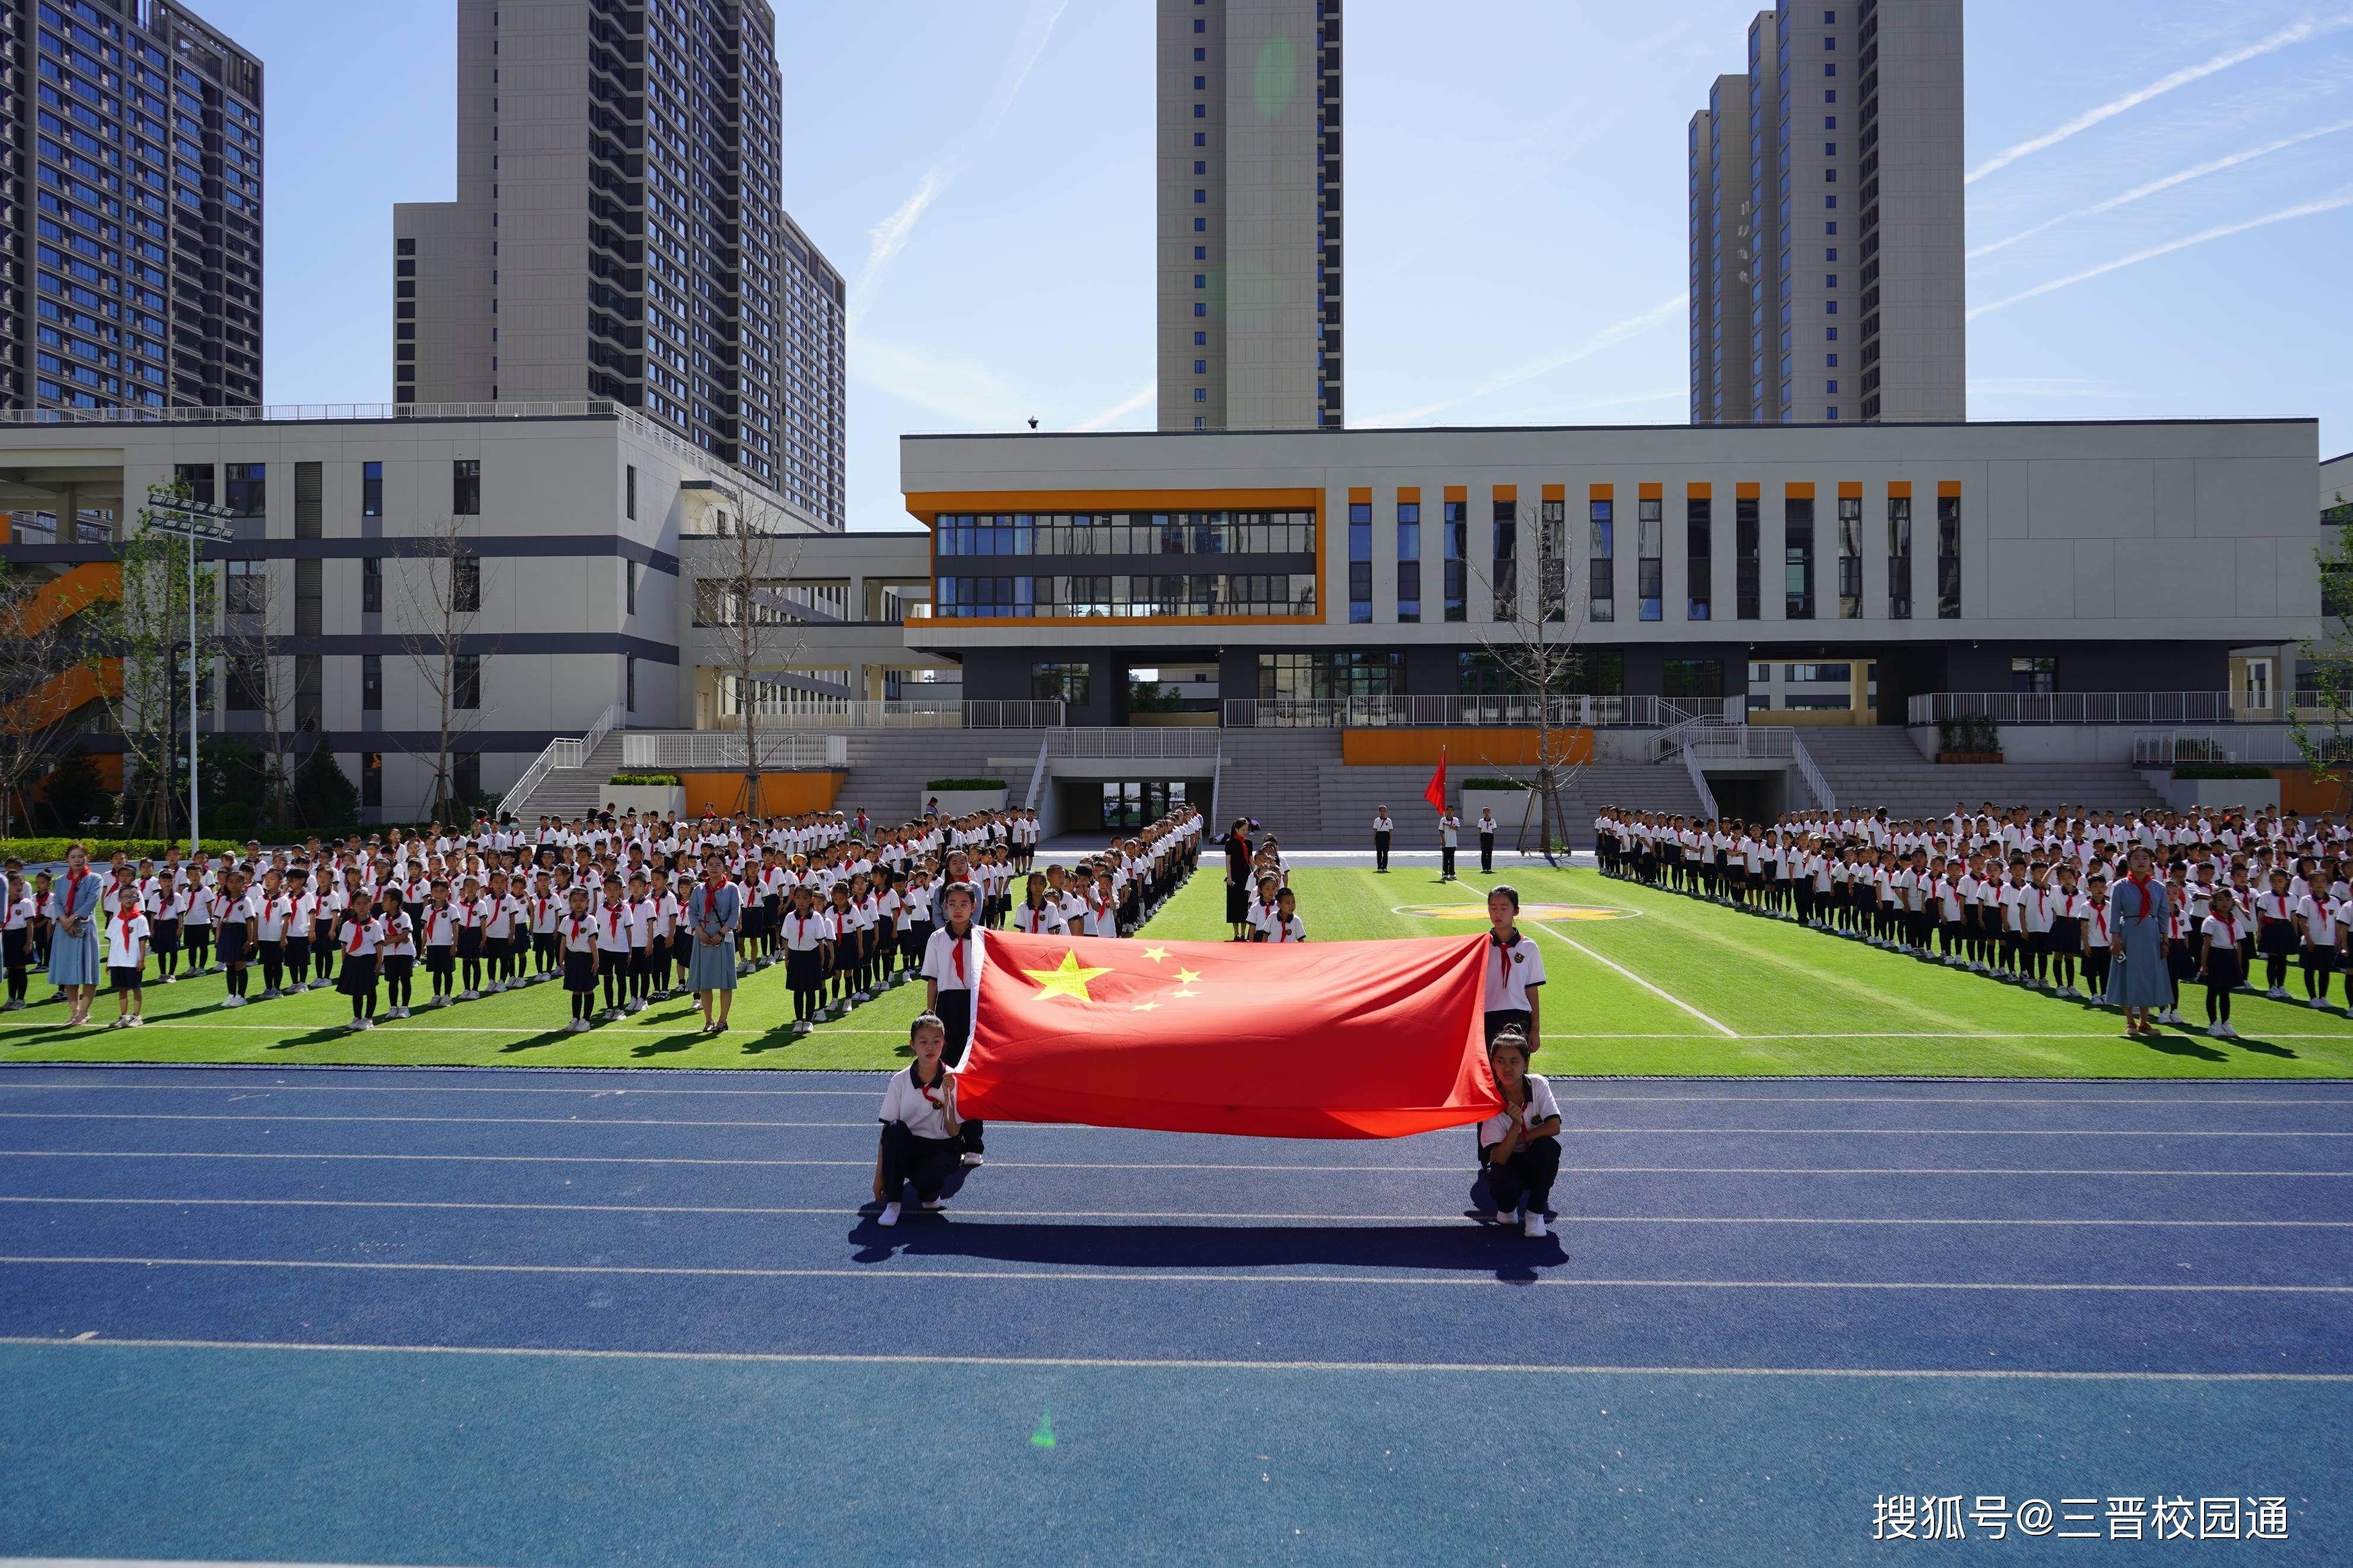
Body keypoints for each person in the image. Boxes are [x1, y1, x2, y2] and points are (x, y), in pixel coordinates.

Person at [872, 1013, 963, 1226]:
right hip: (909, 1146)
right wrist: (879, 1176)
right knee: (895, 1130)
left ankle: (930, 1193)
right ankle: (894, 1203)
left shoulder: (954, 1079)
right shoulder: (900, 1080)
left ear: (944, 1043)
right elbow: (886, 1132)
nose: (930, 1047)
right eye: (923, 1042)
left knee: (928, 1186)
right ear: (912, 1045)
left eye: (936, 1041)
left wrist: (949, 1097)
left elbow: (953, 1132)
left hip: (941, 1148)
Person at [920, 880, 985, 1166]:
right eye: (952, 904)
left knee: (972, 1075)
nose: (958, 909)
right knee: (946, 1076)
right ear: (944, 907)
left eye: (964, 904)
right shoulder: (936, 938)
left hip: (975, 1006)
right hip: (947, 1007)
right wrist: (930, 1013)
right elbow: (933, 980)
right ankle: (949, 1140)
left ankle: (974, 1143)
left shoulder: (984, 937)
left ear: (974, 906)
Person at [1475, 1031, 1560, 1239]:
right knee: (1501, 1177)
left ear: (1526, 1063)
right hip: (1506, 1163)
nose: (1507, 1068)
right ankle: (1507, 1208)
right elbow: (1500, 1158)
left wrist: (1521, 1139)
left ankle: (1535, 1213)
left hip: (1533, 1158)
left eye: (1514, 1061)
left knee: (1549, 1147)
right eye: (1501, 1061)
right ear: (1492, 1064)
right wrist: (1515, 1126)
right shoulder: (1491, 1100)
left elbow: (1554, 1127)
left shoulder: (1538, 1084)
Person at [2107, 845, 2171, 1035]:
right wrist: (2116, 939)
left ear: (2151, 861)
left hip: (2151, 935)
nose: (2141, 861)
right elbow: (2114, 914)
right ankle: (2130, 1022)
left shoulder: (2159, 888)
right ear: (2129, 862)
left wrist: (2165, 940)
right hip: (2128, 932)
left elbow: (2163, 915)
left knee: (2148, 975)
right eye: (2136, 858)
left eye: (2145, 857)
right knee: (2128, 973)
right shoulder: (2120, 886)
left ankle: (2145, 1022)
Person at [1481, 884, 1545, 1052]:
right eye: (1493, 908)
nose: (1498, 913)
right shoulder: (1482, 946)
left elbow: (1532, 989)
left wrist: (1535, 1030)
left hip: (1519, 1017)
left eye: (1504, 908)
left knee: (1515, 1073)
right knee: (1491, 1073)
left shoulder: (1528, 947)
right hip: (1488, 1017)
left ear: (1516, 911)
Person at [45, 845, 103, 1028]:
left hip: (84, 927)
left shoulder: (94, 879)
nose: (77, 860)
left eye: (81, 856)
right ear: (67, 860)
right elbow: (57, 902)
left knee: (88, 973)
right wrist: (64, 921)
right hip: (64, 930)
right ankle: (74, 1012)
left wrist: (72, 919)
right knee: (68, 973)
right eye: (73, 857)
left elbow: (92, 901)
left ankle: (85, 1012)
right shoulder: (61, 881)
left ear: (87, 857)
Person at [687, 854, 741, 1034]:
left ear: (724, 868)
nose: (714, 868)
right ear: (706, 867)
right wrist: (700, 932)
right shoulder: (699, 889)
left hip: (723, 936)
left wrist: (721, 932)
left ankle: (722, 1021)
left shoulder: (732, 888)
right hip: (703, 936)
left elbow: (735, 914)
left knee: (725, 982)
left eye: (718, 865)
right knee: (706, 982)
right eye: (711, 864)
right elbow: (692, 912)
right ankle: (708, 1020)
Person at [2199, 888, 2247, 1039]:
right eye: (2220, 900)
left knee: (2225, 993)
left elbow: (2238, 946)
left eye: (2228, 900)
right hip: (2216, 956)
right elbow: (2206, 945)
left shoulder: (2236, 923)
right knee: (2213, 991)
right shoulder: (2211, 921)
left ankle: (2226, 1022)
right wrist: (2204, 964)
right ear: (2214, 902)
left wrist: (2238, 966)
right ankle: (2213, 1023)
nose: (2225, 903)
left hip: (2230, 957)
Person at [105, 893, 149, 1028]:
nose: (128, 899)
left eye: (132, 897)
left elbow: (143, 941)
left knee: (136, 987)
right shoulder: (115, 921)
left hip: (132, 960)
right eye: (125, 897)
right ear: (119, 900)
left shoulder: (140, 919)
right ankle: (124, 1016)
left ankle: (137, 1016)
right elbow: (112, 942)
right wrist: (109, 962)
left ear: (137, 899)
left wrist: (141, 960)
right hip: (117, 960)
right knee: (122, 989)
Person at [1222, 817, 1253, 940]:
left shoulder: (1249, 843)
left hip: (1246, 876)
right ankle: (1236, 934)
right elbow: (1228, 861)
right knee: (1234, 905)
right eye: (1242, 830)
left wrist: (1257, 874)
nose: (1245, 832)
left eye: (1246, 830)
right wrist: (1229, 877)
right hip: (1234, 876)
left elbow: (1251, 859)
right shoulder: (1229, 843)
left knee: (1245, 905)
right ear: (1236, 829)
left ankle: (1243, 934)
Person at [1438, 805, 1460, 882]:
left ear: (1453, 811)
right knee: (1445, 859)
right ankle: (1445, 873)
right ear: (1446, 811)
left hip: (1453, 842)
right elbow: (1441, 831)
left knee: (1452, 859)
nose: (1450, 812)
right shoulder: (1443, 820)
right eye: (1448, 810)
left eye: (1451, 810)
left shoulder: (1456, 820)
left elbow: (1457, 828)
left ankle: (1452, 873)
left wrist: (1448, 825)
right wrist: (1442, 841)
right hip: (1446, 843)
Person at [1373, 806, 1395, 873]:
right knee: (1379, 853)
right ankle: (1379, 867)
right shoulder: (1377, 820)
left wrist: (1390, 840)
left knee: (1385, 853)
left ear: (1386, 812)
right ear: (1379, 812)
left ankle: (1385, 867)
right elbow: (1375, 831)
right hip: (1379, 836)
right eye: (1381, 811)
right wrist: (1374, 839)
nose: (1383, 812)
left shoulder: (1389, 820)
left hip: (1386, 836)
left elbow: (1390, 831)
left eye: (1384, 811)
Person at [1478, 807, 1498, 874]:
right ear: (1483, 813)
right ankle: (1484, 868)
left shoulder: (1493, 821)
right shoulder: (1481, 821)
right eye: (1485, 812)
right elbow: (1480, 831)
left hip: (1490, 836)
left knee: (1489, 853)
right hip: (1484, 836)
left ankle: (1489, 867)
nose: (1487, 813)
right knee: (1484, 853)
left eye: (1488, 811)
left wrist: (1493, 839)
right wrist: (1480, 839)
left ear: (1490, 812)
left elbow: (1493, 831)